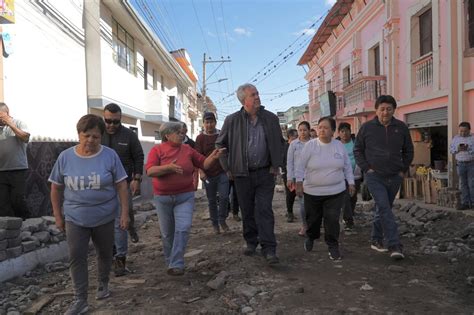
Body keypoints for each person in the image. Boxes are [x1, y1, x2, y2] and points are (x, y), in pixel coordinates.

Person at [49, 114, 129, 315]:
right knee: (76, 256)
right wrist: (58, 216)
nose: (91, 140)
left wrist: (124, 213)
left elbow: (121, 185)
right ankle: (80, 299)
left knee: (104, 253)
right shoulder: (65, 158)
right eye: (86, 136)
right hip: (75, 218)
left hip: (104, 217)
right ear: (79, 135)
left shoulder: (110, 155)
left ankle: (103, 283)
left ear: (101, 137)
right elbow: (56, 188)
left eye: (95, 137)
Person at [216, 83, 285, 265]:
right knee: (247, 211)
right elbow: (220, 145)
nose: (257, 97)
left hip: (265, 173)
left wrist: (276, 164)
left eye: (257, 93)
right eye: (253, 95)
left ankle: (269, 248)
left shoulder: (270, 118)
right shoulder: (232, 120)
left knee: (264, 210)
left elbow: (279, 141)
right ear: (243, 100)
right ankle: (251, 242)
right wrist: (227, 168)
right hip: (241, 175)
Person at [146, 122, 225, 276]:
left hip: (184, 196)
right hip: (163, 198)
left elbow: (204, 164)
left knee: (183, 228)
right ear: (167, 135)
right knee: (167, 233)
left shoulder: (188, 149)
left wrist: (213, 157)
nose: (182, 135)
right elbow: (150, 171)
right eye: (178, 132)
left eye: (183, 132)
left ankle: (176, 263)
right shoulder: (157, 150)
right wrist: (167, 168)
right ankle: (170, 260)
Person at [354, 95, 414, 260]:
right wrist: (367, 168)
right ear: (376, 110)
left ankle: (376, 239)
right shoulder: (366, 128)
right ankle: (395, 245)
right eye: (382, 109)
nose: (385, 112)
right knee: (385, 208)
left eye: (389, 109)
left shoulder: (401, 127)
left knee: (383, 208)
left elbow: (409, 150)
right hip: (375, 176)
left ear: (394, 110)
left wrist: (403, 169)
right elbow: (358, 150)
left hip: (395, 176)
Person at [296, 117, 355, 261]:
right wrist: (298, 182)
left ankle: (333, 246)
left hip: (335, 191)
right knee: (314, 220)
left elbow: (347, 166)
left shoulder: (338, 146)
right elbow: (300, 166)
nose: (322, 130)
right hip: (312, 192)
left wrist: (351, 183)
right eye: (320, 127)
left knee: (332, 220)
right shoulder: (310, 146)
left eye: (326, 128)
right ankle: (311, 237)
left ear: (333, 131)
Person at [101, 103, 144, 276]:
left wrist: (137, 179)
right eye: (108, 121)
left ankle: (120, 260)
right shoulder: (97, 134)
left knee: (121, 222)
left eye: (115, 122)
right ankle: (110, 254)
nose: (111, 125)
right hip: (101, 186)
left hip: (123, 184)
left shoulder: (129, 135)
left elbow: (139, 156)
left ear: (121, 119)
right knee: (105, 223)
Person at [196, 112, 230, 234]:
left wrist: (228, 169)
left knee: (224, 197)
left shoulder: (221, 135)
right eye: (207, 122)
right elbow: (197, 157)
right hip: (208, 174)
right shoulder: (200, 138)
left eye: (211, 122)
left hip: (222, 172)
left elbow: (228, 152)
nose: (209, 125)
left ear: (215, 122)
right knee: (211, 200)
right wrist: (201, 171)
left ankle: (222, 220)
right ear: (204, 123)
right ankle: (215, 224)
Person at [0, 103, 30, 219]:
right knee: (2, 204)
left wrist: (10, 124)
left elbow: (25, 137)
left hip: (17, 168)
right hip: (1, 170)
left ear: (7, 114)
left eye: (1, 116)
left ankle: (27, 224)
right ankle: (9, 230)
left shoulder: (18, 123)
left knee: (17, 200)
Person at [287, 121, 311, 237]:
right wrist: (289, 178)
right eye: (300, 130)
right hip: (299, 179)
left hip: (313, 177)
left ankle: (314, 224)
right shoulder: (294, 145)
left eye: (304, 130)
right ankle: (305, 225)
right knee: (302, 204)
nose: (302, 132)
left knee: (314, 203)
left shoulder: (314, 143)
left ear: (309, 131)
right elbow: (289, 162)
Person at [337, 122, 362, 231]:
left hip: (355, 175)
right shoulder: (336, 144)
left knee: (353, 197)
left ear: (350, 131)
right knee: (345, 198)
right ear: (339, 133)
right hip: (341, 176)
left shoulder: (356, 143)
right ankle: (348, 220)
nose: (345, 133)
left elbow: (361, 156)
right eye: (342, 131)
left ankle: (349, 214)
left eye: (346, 130)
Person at [449, 121, 474, 210]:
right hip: (460, 164)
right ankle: (465, 203)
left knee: (472, 184)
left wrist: (469, 149)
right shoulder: (456, 138)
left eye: (465, 131)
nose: (462, 133)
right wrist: (458, 149)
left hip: (471, 164)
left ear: (469, 130)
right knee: (462, 184)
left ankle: (473, 203)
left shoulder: (473, 138)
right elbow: (451, 150)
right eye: (461, 131)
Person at [282, 128, 298, 223]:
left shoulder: (297, 146)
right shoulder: (286, 147)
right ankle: (290, 213)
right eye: (295, 136)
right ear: (290, 137)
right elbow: (284, 161)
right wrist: (287, 175)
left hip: (299, 174)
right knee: (290, 194)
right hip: (289, 174)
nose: (297, 138)